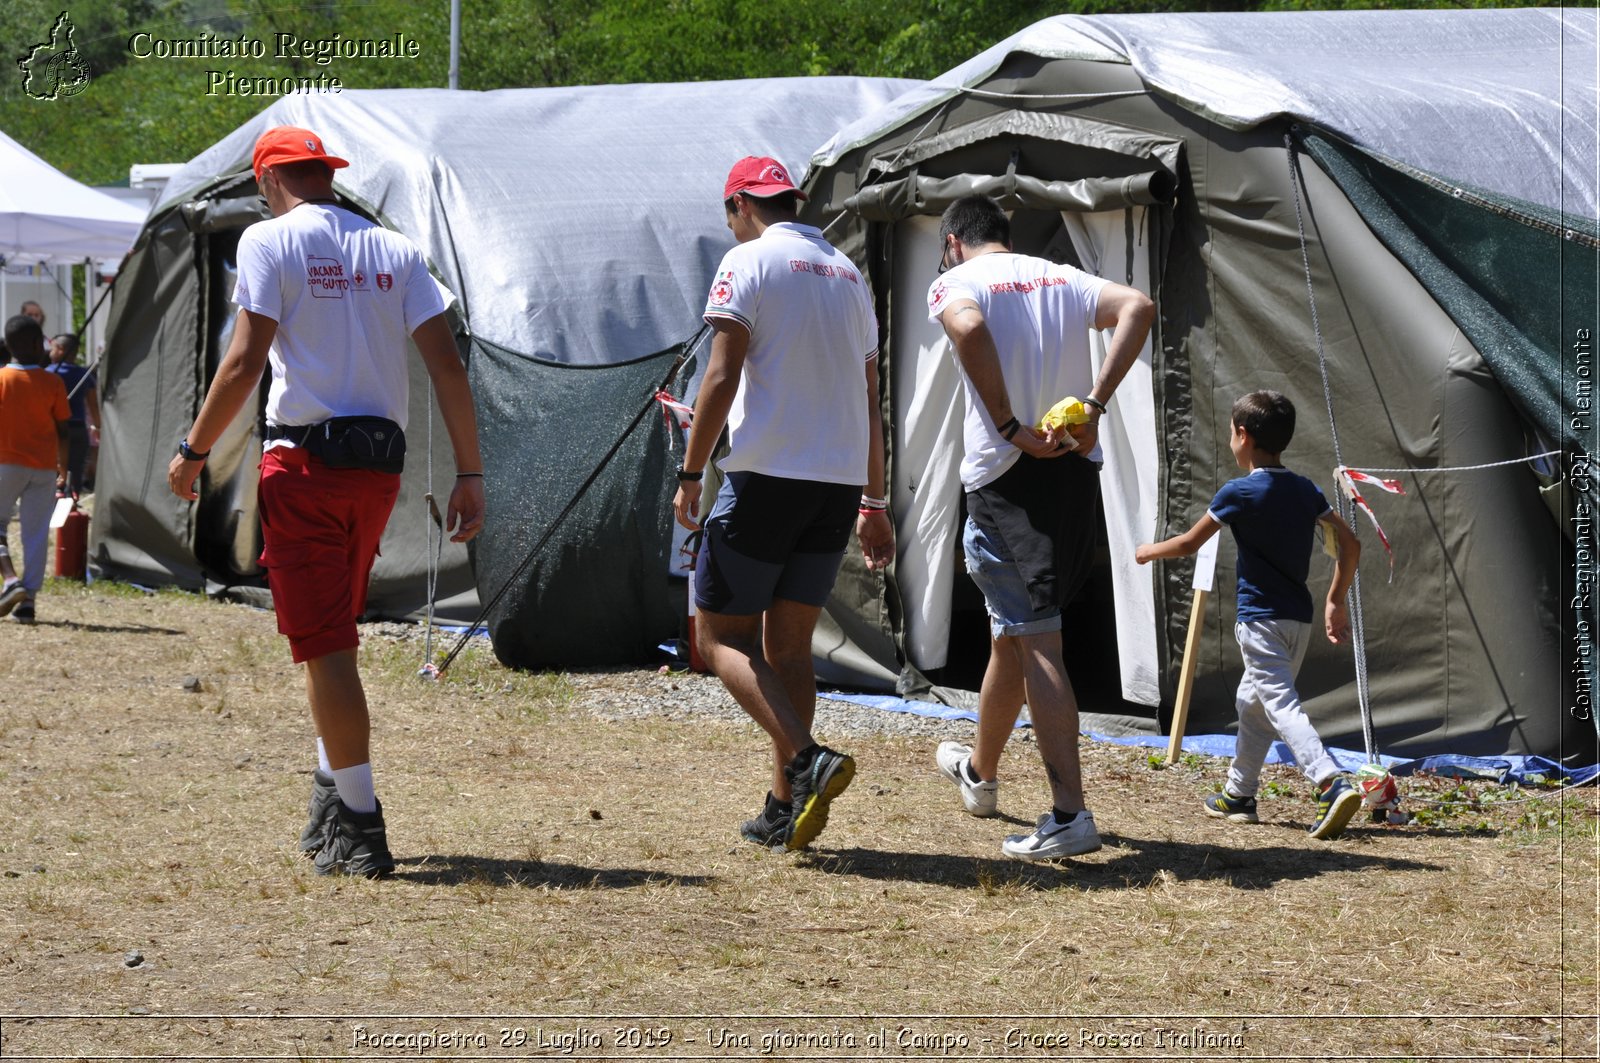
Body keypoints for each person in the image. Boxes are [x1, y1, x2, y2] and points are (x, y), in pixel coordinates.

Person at [167, 126, 486, 878]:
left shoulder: (268, 241)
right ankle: (331, 796)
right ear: (326, 175)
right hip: (377, 471)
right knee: (334, 636)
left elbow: (245, 361)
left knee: (326, 648)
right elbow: (447, 365)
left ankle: (363, 822)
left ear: (267, 180)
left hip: (304, 467)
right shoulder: (394, 247)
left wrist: (194, 449)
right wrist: (471, 474)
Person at [673, 156, 893, 852]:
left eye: (728, 213)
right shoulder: (848, 273)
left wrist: (690, 469)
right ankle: (783, 802)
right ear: (792, 200)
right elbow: (869, 399)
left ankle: (808, 759)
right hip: (834, 484)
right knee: (789, 645)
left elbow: (721, 371)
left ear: (741, 204)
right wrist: (875, 499)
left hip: (765, 477)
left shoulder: (748, 263)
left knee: (718, 639)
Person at [927, 194, 1154, 861]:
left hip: (1009, 481)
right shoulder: (1059, 275)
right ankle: (980, 771)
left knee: (1037, 639)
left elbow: (967, 329)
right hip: (1073, 472)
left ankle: (1068, 814)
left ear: (951, 243)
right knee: (1013, 633)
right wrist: (1094, 405)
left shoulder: (957, 282)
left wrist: (1006, 426)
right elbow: (1137, 306)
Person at [1136, 390, 1364, 840]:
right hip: (1297, 620)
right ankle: (1239, 795)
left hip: (1260, 621)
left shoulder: (1238, 492)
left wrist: (1147, 552)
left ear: (1242, 435)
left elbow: (1188, 543)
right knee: (1253, 703)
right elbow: (1351, 545)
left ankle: (1329, 780)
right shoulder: (1305, 490)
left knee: (1279, 704)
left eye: (1230, 433)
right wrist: (1336, 600)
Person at [0, 314, 71, 624]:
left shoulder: (1, 379)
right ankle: (27, 602)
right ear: (33, 343)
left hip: (5, 465)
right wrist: (63, 468)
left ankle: (9, 579)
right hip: (43, 468)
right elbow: (64, 430)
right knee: (36, 534)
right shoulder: (53, 382)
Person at [47, 334, 100, 496]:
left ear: (61, 350)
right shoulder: (84, 374)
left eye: (53, 347)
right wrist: (98, 426)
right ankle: (72, 502)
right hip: (78, 429)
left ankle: (55, 502)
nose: (50, 351)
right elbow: (93, 404)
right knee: (75, 471)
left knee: (54, 469)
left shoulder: (49, 373)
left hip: (55, 429)